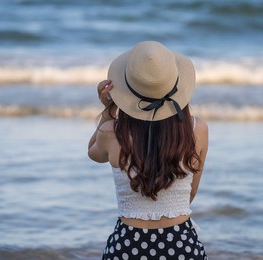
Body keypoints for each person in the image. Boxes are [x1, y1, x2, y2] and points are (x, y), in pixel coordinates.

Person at [88, 41, 209, 260]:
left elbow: (92, 153)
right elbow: (190, 193)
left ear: (128, 90)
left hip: (126, 247)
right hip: (182, 246)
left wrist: (108, 111)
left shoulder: (110, 132)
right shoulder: (196, 129)